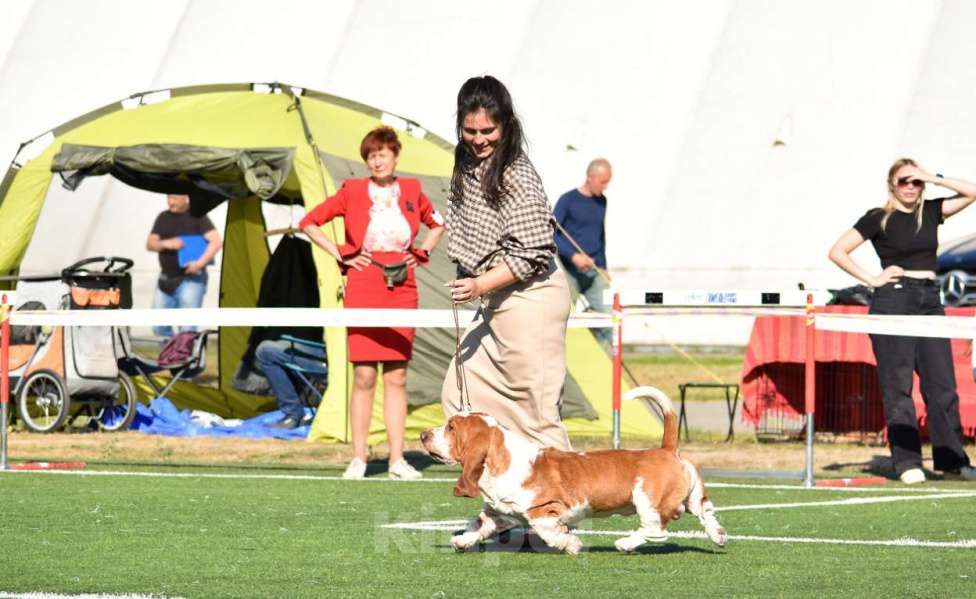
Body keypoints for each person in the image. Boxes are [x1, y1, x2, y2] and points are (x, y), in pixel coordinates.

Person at [300, 126, 445, 479]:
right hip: (364, 282)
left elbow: (438, 223)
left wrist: (422, 251)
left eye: (383, 154)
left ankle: (397, 460)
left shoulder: (412, 190)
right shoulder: (351, 191)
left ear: (395, 156)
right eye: (371, 155)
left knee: (396, 376)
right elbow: (310, 222)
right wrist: (342, 254)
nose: (377, 161)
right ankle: (359, 458)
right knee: (364, 374)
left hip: (402, 286)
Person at [441, 75, 572, 451]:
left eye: (488, 130)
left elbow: (533, 251)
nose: (479, 139)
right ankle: (500, 503)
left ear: (506, 125)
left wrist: (480, 284)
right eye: (470, 130)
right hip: (494, 300)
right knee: (459, 392)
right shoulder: (465, 160)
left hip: (532, 298)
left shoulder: (517, 173)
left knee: (536, 417)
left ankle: (563, 502)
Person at [828, 158, 976, 484]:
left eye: (915, 182)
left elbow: (972, 192)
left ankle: (951, 462)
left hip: (930, 301)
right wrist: (873, 278)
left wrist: (931, 177)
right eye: (904, 181)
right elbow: (838, 251)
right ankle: (908, 462)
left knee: (942, 386)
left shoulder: (933, 212)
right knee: (899, 388)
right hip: (893, 299)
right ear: (891, 184)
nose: (910, 187)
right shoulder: (878, 218)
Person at [554, 158, 613, 345]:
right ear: (590, 177)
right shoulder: (567, 200)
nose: (606, 187)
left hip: (594, 271)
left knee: (608, 319)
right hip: (569, 272)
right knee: (561, 319)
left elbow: (600, 235)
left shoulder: (602, 201)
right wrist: (573, 255)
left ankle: (607, 368)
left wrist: (603, 266)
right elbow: (552, 234)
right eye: (603, 182)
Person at [146, 194, 222, 338]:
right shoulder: (163, 217)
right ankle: (170, 358)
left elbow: (216, 242)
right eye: (168, 197)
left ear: (185, 197)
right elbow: (150, 243)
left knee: (186, 329)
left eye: (174, 198)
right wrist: (166, 244)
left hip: (191, 280)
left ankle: (185, 359)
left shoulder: (198, 216)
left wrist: (199, 264)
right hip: (165, 279)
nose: (170, 202)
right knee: (158, 326)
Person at [256, 337, 327, 429]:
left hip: (333, 358)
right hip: (332, 352)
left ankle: (293, 414)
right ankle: (295, 412)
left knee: (265, 351)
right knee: (274, 346)